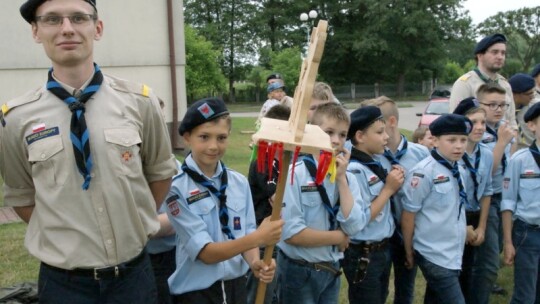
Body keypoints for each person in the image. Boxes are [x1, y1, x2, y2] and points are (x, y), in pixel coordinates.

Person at [0, 0, 178, 303]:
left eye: (78, 18)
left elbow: (160, 174)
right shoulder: (15, 119)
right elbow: (22, 196)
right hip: (64, 284)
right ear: (35, 31)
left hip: (133, 279)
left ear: (97, 28)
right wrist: (67, 234)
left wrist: (132, 218)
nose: (67, 29)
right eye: (53, 19)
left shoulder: (140, 103)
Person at [165, 97, 283, 303]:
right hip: (197, 294)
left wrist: (255, 262)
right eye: (204, 137)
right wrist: (259, 238)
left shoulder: (238, 182)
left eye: (221, 138)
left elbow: (245, 232)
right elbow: (206, 253)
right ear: (187, 138)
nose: (213, 146)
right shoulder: (176, 190)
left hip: (235, 287)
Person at [277, 102, 370, 304]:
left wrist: (342, 181)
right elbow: (291, 233)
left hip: (331, 268)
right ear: (312, 131)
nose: (336, 140)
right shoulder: (294, 174)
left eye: (343, 135)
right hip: (300, 269)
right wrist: (338, 236)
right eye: (329, 132)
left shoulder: (348, 177)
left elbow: (354, 226)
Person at [361, 97, 429, 304]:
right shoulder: (368, 155)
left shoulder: (421, 155)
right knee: (378, 291)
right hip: (379, 236)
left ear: (391, 122)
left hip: (407, 231)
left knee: (406, 288)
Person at [401, 114, 473, 304]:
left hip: (452, 251)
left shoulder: (460, 168)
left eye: (463, 140)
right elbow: (409, 214)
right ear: (434, 141)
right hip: (433, 253)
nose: (459, 146)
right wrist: (408, 249)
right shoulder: (423, 172)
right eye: (451, 140)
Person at [343, 105, 405, 304]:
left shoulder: (376, 161)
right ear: (360, 136)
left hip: (382, 249)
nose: (386, 137)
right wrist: (388, 189)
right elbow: (359, 220)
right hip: (363, 252)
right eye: (380, 132)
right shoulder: (354, 171)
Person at [473, 83, 517, 302]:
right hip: (488, 199)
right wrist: (501, 142)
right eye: (492, 105)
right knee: (489, 261)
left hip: (506, 198)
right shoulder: (476, 132)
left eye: (503, 105)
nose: (498, 109)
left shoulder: (505, 128)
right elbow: (486, 173)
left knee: (496, 249)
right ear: (480, 104)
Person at [246, 104, 290, 304]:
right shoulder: (262, 163)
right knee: (261, 294)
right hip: (264, 242)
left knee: (280, 293)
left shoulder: (293, 162)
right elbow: (277, 200)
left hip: (286, 239)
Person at [453, 97, 494, 303]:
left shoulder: (486, 154)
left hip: (476, 215)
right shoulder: (453, 154)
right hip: (456, 218)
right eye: (473, 122)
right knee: (454, 272)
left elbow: (487, 191)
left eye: (483, 122)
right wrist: (464, 227)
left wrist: (482, 227)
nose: (479, 127)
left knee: (472, 270)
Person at [502, 102, 540, 304]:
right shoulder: (520, 160)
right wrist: (508, 242)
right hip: (528, 233)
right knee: (525, 295)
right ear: (532, 126)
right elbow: (508, 202)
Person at [449, 33, 517, 131]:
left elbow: (511, 121)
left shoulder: (505, 85)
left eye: (503, 53)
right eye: (495, 52)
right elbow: (456, 122)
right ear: (480, 56)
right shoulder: (465, 84)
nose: (500, 57)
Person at [509, 73, 536, 147]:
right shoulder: (503, 109)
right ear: (514, 94)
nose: (532, 96)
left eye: (533, 93)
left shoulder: (535, 107)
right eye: (529, 94)